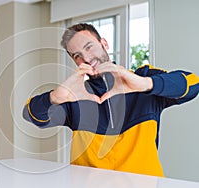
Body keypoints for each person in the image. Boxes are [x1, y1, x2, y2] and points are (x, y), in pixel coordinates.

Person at [22, 23, 199, 177]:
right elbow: (31, 115)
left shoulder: (143, 80)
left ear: (104, 44)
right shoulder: (75, 96)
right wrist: (54, 97)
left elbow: (193, 84)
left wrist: (146, 84)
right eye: (77, 56)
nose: (87, 58)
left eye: (89, 47)